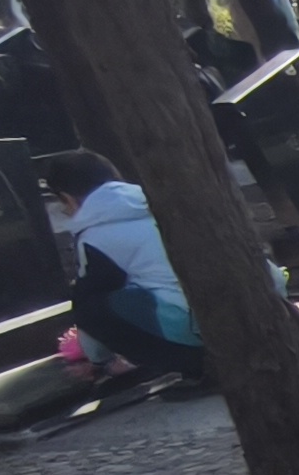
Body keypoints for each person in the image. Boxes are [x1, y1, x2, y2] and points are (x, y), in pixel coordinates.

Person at [45, 150, 216, 384]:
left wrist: (98, 361)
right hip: (232, 312)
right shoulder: (155, 201)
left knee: (91, 305)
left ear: (68, 199)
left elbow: (89, 304)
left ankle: (196, 364)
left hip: (195, 331)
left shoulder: (95, 235)